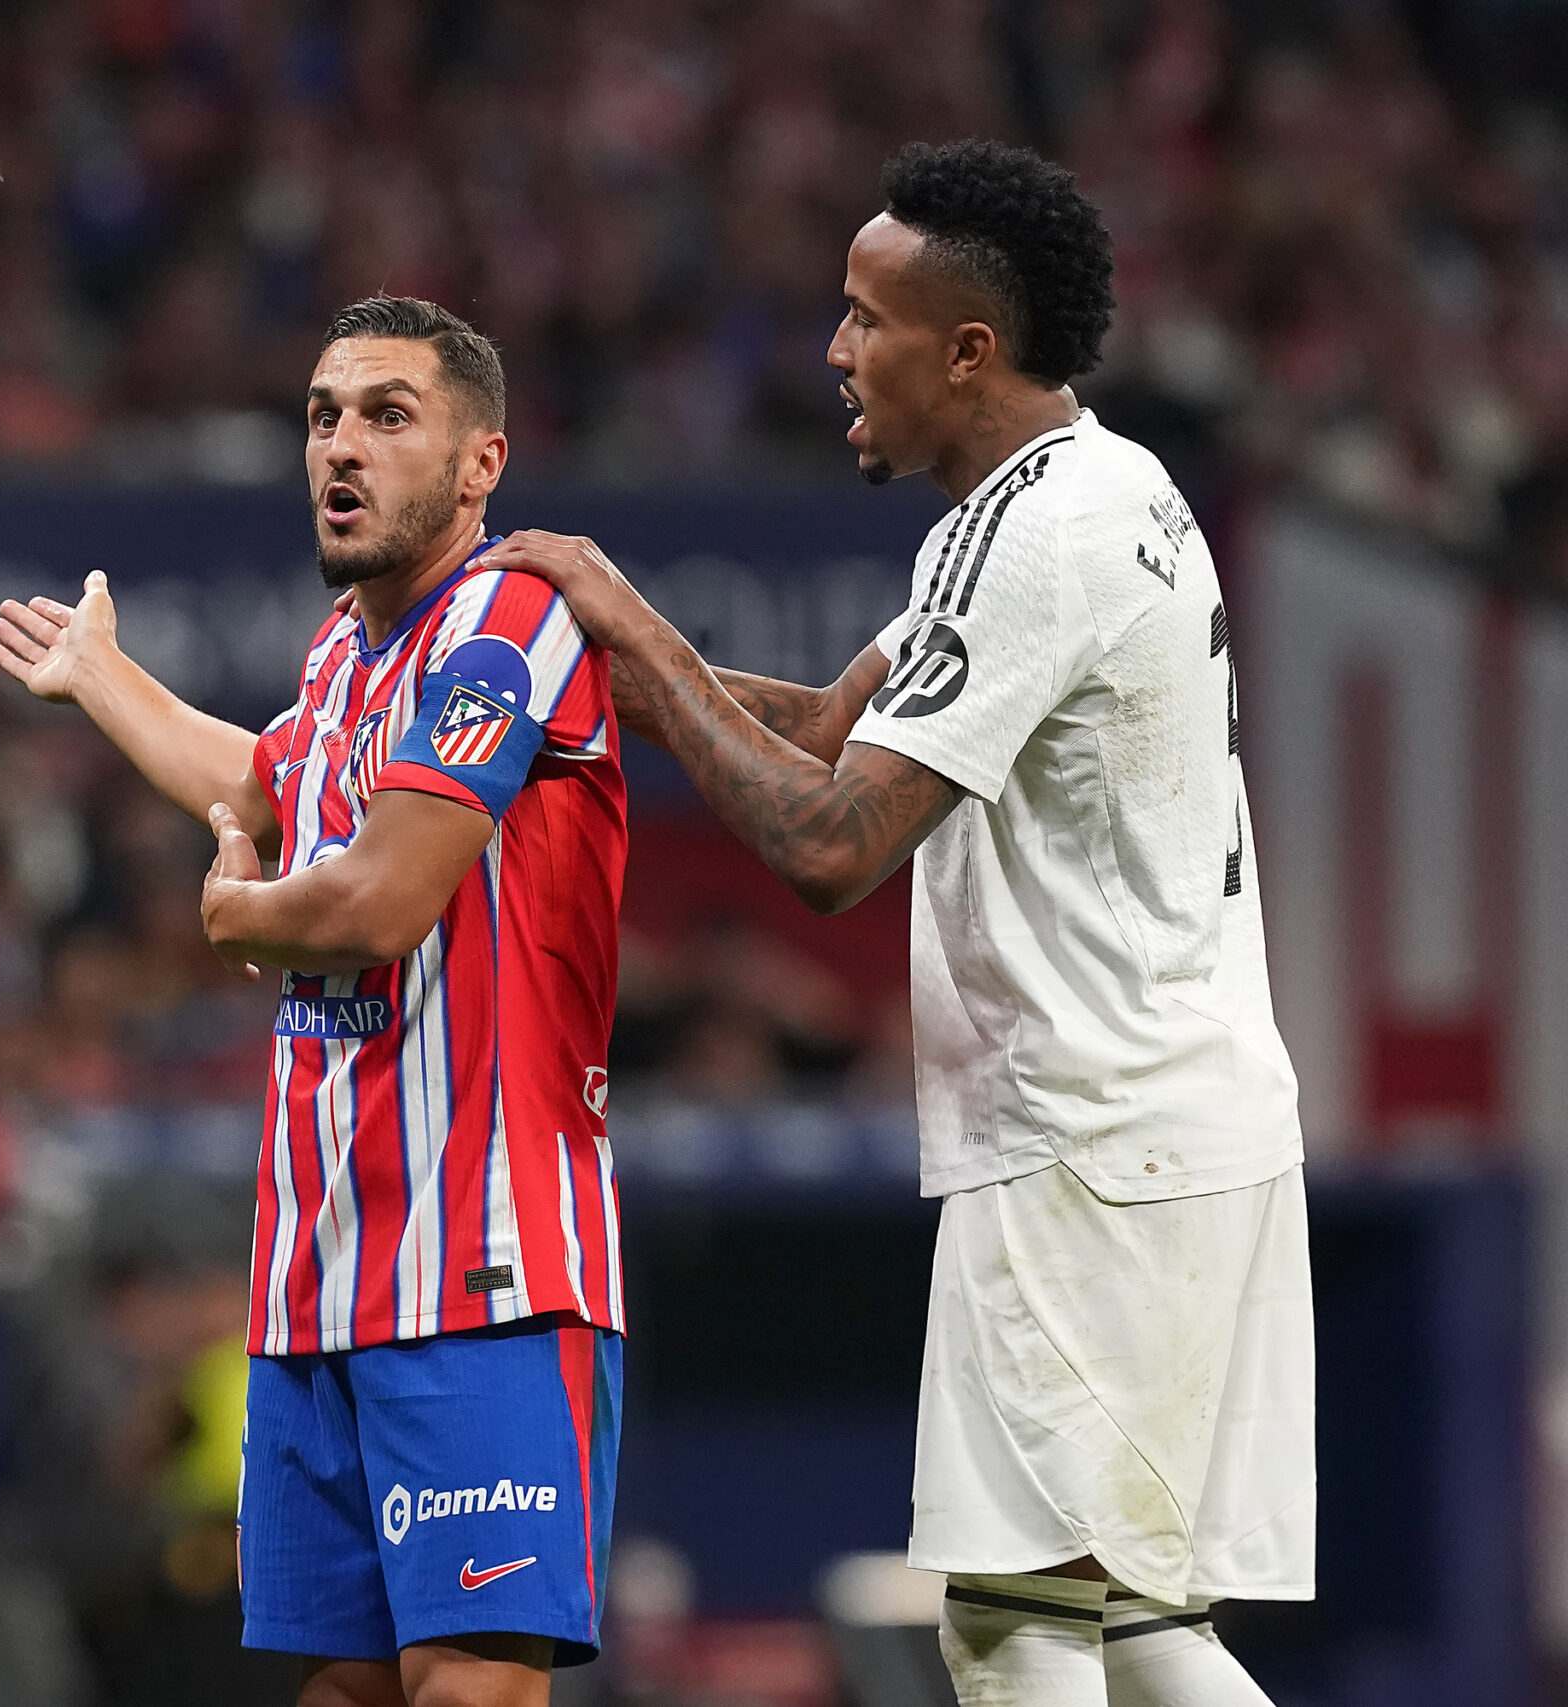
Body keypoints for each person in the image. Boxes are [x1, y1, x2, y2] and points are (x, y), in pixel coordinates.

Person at [485, 141, 1311, 1707]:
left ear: (968, 350)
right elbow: (828, 732)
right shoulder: (1092, 488)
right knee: (1136, 1631)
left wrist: (617, 616)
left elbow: (826, 841)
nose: (835, 351)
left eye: (866, 318)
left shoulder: (1036, 537)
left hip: (1092, 1142)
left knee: (1017, 1627)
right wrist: (557, 654)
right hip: (1177, 1124)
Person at [0, 296, 625, 1707]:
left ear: (480, 464)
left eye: (388, 415)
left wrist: (239, 918)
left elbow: (375, 897)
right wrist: (101, 677)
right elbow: (268, 788)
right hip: (318, 1285)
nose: (342, 445)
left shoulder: (509, 624)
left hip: (485, 1274)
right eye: (325, 415)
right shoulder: (342, 654)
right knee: (341, 1696)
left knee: (468, 1687)